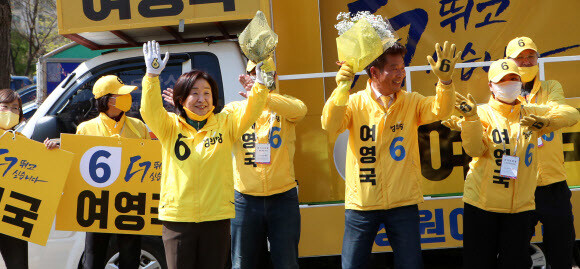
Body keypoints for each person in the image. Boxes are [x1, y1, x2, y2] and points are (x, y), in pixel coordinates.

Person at [321, 41, 460, 269]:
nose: (400, 74)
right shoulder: (355, 102)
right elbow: (330, 124)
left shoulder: (411, 101)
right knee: (352, 265)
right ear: (374, 72)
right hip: (362, 205)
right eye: (394, 68)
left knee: (411, 265)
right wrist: (341, 89)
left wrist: (445, 82)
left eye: (402, 68)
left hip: (402, 203)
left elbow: (441, 110)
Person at [139, 40, 269, 269]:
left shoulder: (226, 123)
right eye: (195, 93)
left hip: (216, 219)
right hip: (178, 220)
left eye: (207, 93)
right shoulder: (169, 126)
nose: (202, 99)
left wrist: (259, 84)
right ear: (181, 99)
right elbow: (149, 110)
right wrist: (151, 76)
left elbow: (252, 111)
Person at [455, 59, 579, 269]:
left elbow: (572, 114)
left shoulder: (530, 111)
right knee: (479, 263)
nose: (508, 83)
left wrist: (547, 122)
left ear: (520, 82)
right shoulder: (483, 113)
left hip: (519, 209)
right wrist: (471, 120)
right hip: (483, 206)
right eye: (502, 80)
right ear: (491, 86)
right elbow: (474, 150)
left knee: (516, 263)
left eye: (513, 78)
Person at [506, 36, 576, 269]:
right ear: (510, 62)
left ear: (537, 59)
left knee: (562, 251)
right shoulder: (503, 92)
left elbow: (563, 112)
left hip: (554, 184)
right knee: (514, 253)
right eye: (520, 58)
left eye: (530, 56)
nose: (526, 62)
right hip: (519, 184)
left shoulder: (551, 86)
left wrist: (544, 120)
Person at [75, 74, 151, 269]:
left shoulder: (139, 127)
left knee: (130, 259)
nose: (127, 98)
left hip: (130, 203)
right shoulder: (85, 129)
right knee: (92, 259)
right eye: (120, 95)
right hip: (96, 204)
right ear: (105, 100)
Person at [0, 88, 59, 269]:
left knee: (18, 264)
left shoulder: (21, 141)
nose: (10, 112)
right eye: (5, 107)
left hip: (11, 214)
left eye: (15, 108)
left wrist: (49, 150)